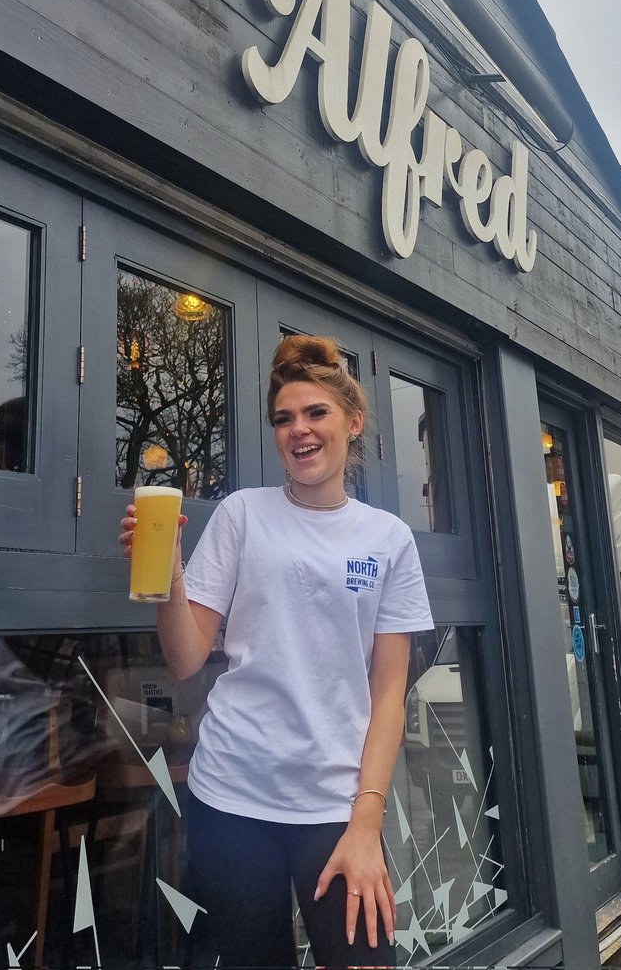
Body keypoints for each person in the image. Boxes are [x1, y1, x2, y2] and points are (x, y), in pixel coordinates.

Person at [120, 335, 433, 968]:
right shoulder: (242, 516)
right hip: (231, 795)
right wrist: (169, 572)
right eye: (284, 418)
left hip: (337, 804)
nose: (299, 430)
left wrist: (366, 825)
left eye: (316, 412)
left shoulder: (389, 539)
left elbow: (388, 698)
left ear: (353, 421)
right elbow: (185, 657)